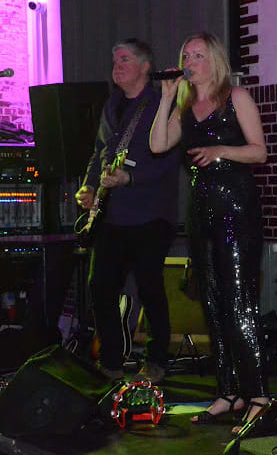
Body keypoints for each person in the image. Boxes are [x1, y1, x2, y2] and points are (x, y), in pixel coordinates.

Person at [149, 32, 269, 428]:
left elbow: (259, 151)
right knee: (213, 302)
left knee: (239, 302)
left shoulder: (236, 98)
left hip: (236, 209)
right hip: (201, 212)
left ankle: (259, 395)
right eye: (186, 55)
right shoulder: (184, 107)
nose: (190, 62)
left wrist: (221, 151)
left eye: (198, 55)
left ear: (214, 59)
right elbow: (157, 145)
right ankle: (228, 392)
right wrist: (166, 98)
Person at [76, 38, 180, 382]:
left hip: (151, 213)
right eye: (115, 61)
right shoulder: (112, 105)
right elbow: (100, 152)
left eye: (124, 60)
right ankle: (110, 362)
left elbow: (169, 159)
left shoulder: (159, 103)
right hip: (113, 215)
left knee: (149, 286)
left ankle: (157, 361)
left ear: (145, 67)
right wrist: (90, 187)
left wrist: (130, 178)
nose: (116, 66)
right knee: (100, 286)